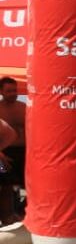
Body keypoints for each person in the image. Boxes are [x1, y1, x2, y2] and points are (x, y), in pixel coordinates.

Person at [0, 76, 27, 223]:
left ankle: (23, 213)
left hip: (24, 152)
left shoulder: (23, 108)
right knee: (5, 185)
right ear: (1, 92)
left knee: (31, 184)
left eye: (14, 90)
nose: (13, 93)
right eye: (9, 91)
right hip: (3, 153)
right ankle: (6, 217)